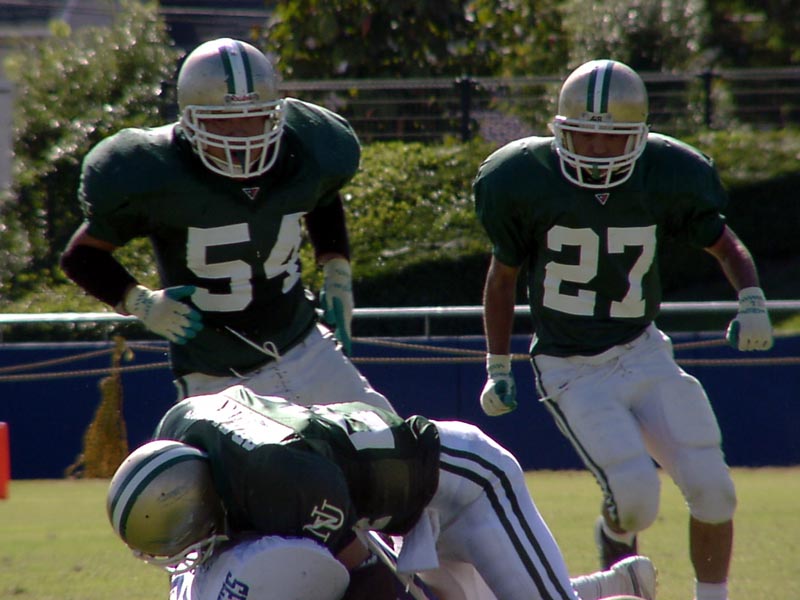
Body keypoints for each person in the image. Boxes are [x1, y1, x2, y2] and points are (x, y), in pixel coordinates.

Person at [474, 58, 774, 600]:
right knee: (635, 501)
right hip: (571, 366)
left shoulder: (667, 172)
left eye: (611, 137)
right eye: (584, 135)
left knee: (714, 489)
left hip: (643, 351)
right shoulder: (524, 179)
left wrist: (751, 299)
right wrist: (497, 366)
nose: (596, 149)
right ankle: (621, 579)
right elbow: (503, 278)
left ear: (640, 136)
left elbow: (723, 243)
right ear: (560, 131)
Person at [59, 37, 390, 411]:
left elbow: (322, 195)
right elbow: (81, 256)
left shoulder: (302, 151)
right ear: (190, 121)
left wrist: (336, 268)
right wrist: (140, 301)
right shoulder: (156, 172)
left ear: (274, 115)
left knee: (383, 437)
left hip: (307, 349)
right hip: (215, 375)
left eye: (253, 117)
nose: (240, 134)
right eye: (222, 121)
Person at [107, 384, 657, 600]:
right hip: (378, 502)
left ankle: (617, 594)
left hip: (463, 485)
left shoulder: (280, 482)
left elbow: (363, 576)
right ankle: (603, 584)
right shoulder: (182, 425)